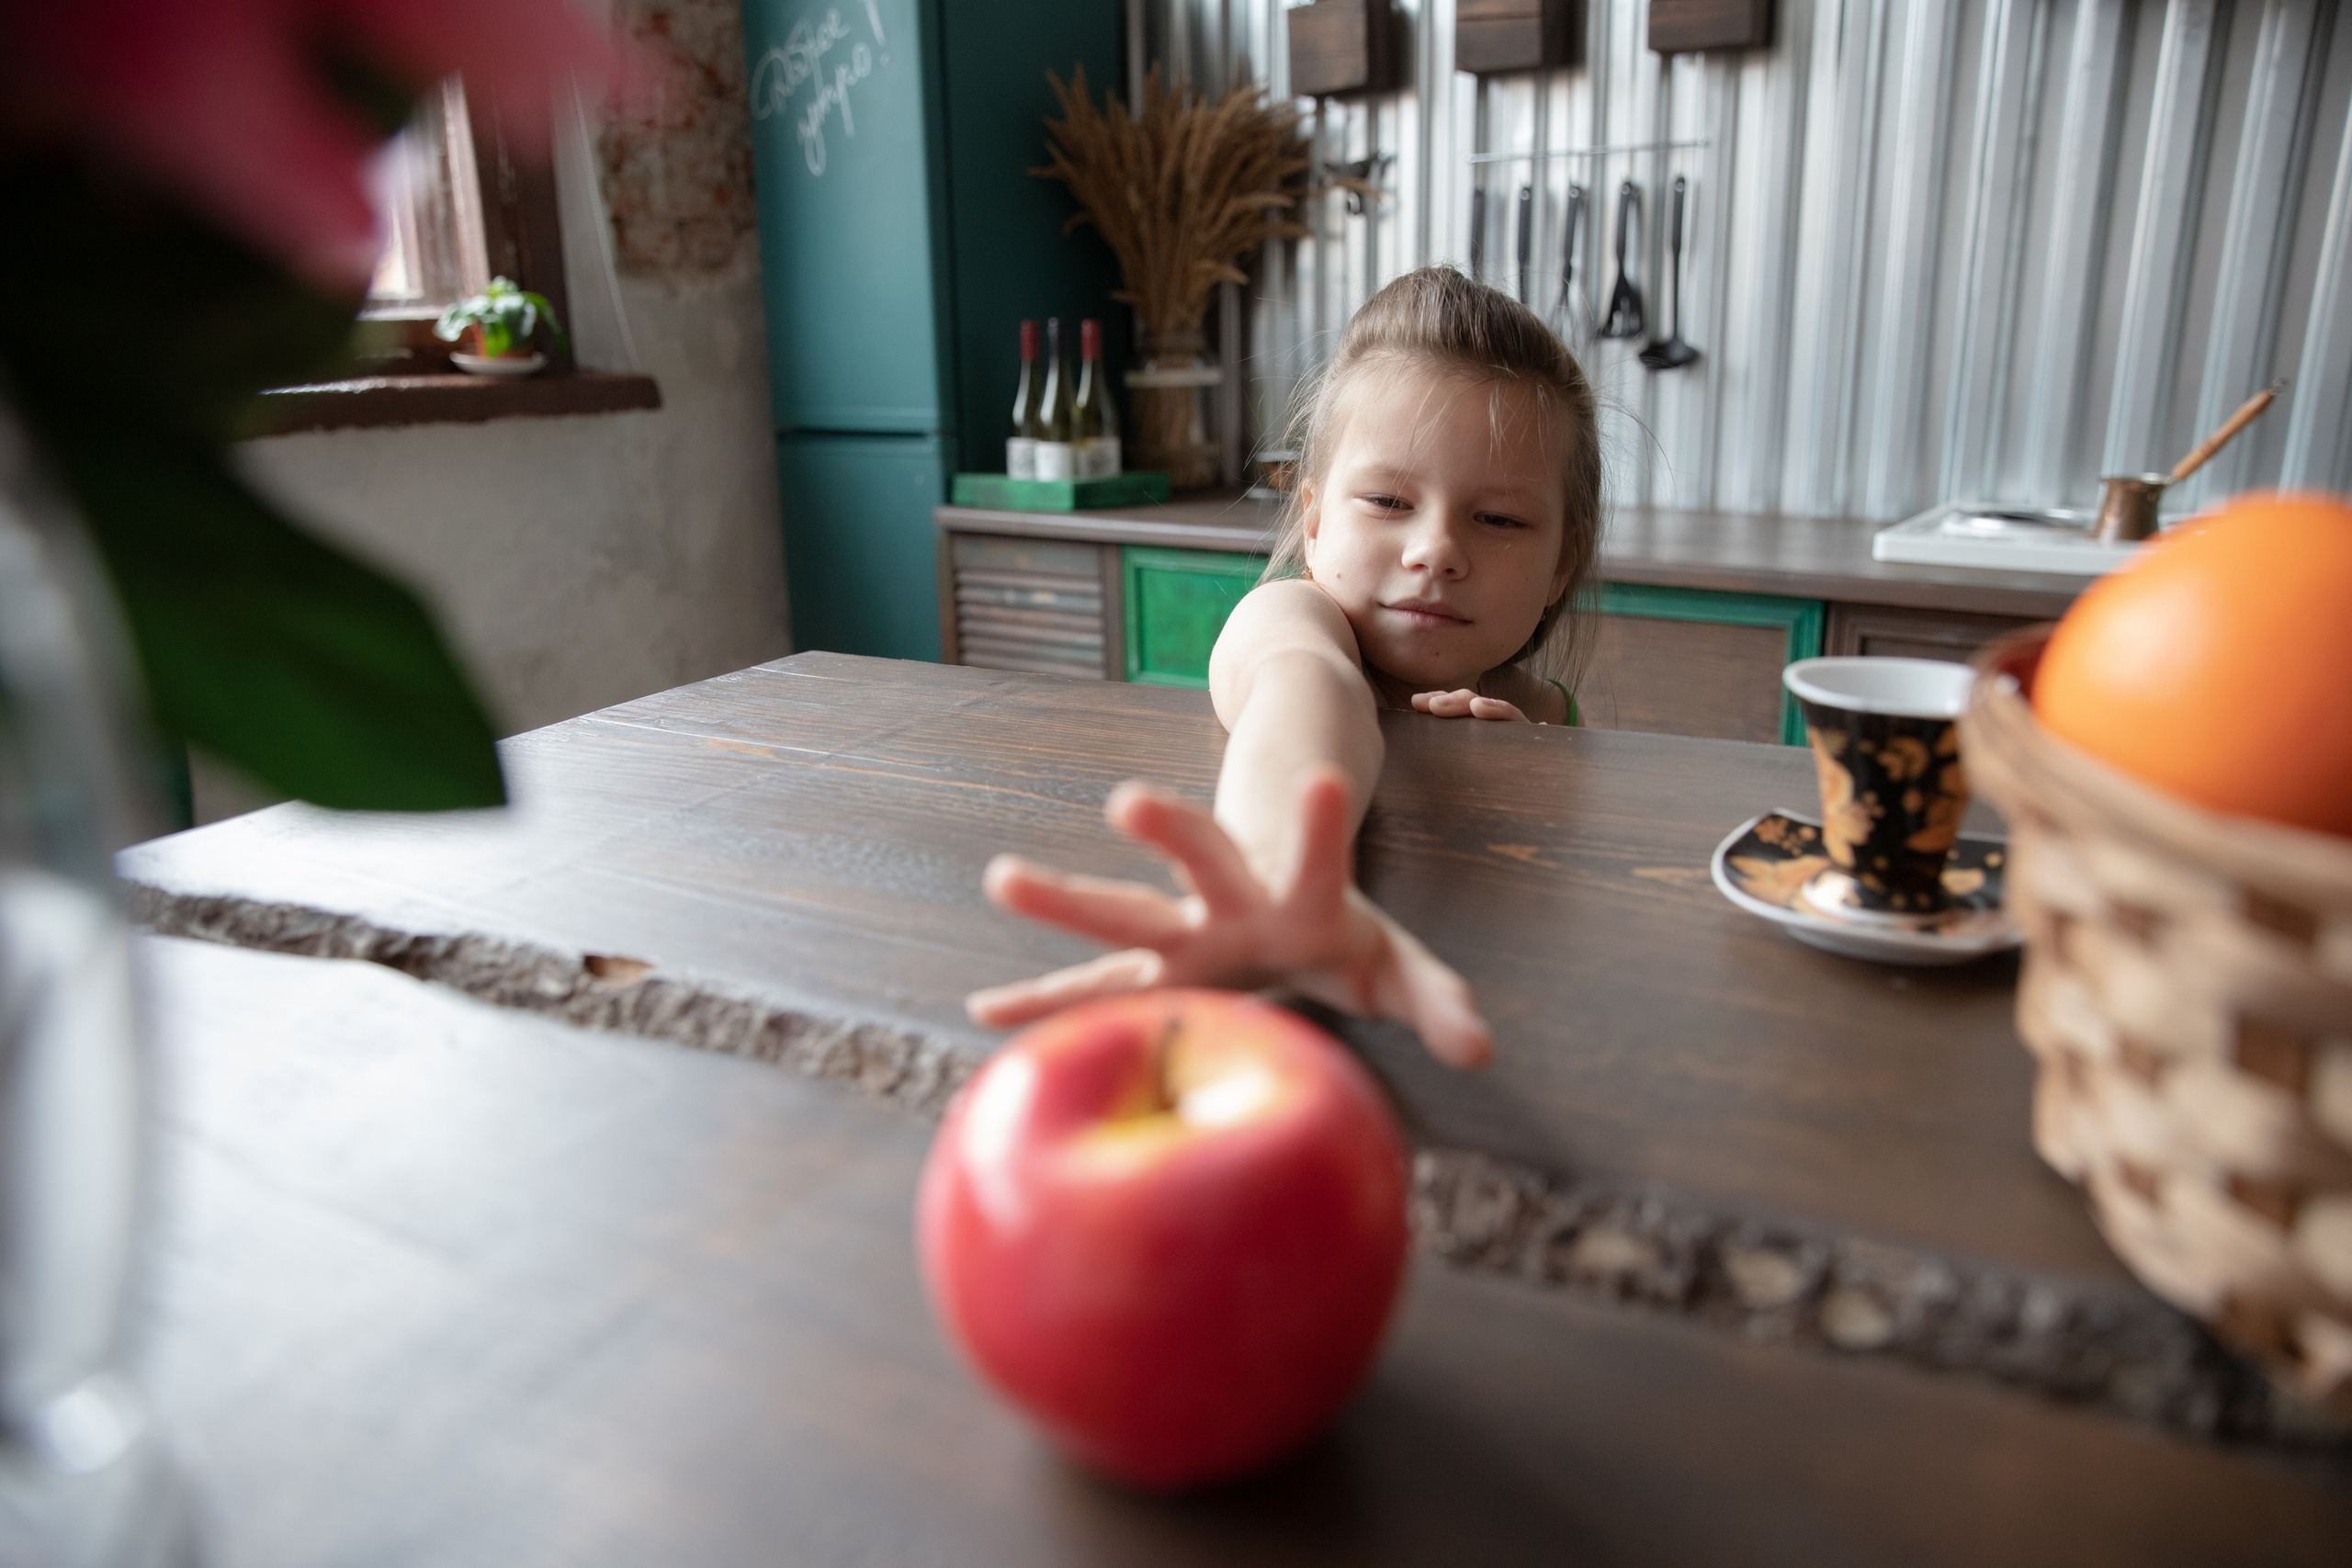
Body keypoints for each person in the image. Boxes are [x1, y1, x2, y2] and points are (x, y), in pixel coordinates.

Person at [965, 266, 1603, 1069]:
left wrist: (1522, 775)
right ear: (1312, 519)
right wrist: (1272, 887)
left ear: (1560, 564)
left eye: (1499, 518)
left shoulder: (1549, 714)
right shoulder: (1292, 621)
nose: (1436, 549)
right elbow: (1311, 694)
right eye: (1388, 501)